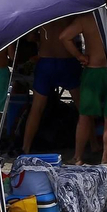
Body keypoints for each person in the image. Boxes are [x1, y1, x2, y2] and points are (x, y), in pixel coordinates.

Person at [61, 0, 107, 164]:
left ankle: (78, 157)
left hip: (93, 68)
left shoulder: (86, 18)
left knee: (85, 115)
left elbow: (64, 37)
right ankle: (106, 159)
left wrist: (79, 56)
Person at [21, 20, 83, 154]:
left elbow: (30, 36)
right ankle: (93, 143)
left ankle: (25, 147)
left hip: (46, 60)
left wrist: (42, 38)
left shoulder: (44, 10)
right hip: (67, 59)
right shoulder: (70, 11)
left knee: (36, 109)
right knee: (82, 108)